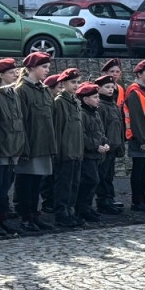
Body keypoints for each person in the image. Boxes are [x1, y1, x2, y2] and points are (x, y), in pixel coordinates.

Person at [13, 52, 57, 234]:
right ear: (31, 68)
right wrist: (23, 146)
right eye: (44, 67)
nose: (47, 71)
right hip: (30, 144)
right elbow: (19, 120)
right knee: (26, 183)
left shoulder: (45, 90)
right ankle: (26, 218)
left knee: (37, 183)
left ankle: (33, 215)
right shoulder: (22, 90)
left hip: (43, 143)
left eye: (48, 67)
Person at [0, 58, 24, 237]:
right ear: (1, 75)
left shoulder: (13, 93)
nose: (15, 75)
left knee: (5, 186)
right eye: (11, 72)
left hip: (13, 147)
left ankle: (3, 219)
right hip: (0, 148)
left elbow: (18, 122)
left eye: (15, 72)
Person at [124, 59, 145, 213]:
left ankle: (141, 200)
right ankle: (137, 201)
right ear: (139, 74)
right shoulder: (134, 92)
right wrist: (141, 140)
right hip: (140, 138)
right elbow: (137, 118)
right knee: (139, 170)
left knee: (143, 170)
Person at [51, 67, 84, 228]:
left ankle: (70, 210)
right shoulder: (60, 102)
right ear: (63, 83)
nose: (76, 85)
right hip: (65, 151)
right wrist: (58, 152)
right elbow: (58, 129)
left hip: (76, 151)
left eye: (78, 82)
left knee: (74, 183)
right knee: (63, 184)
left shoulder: (75, 102)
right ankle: (61, 213)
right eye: (73, 82)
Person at [76, 83, 108, 223]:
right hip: (88, 155)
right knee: (90, 181)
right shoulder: (83, 114)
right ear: (85, 99)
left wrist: (105, 142)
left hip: (96, 155)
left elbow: (100, 132)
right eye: (94, 97)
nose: (98, 99)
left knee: (93, 181)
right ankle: (82, 209)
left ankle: (86, 207)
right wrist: (96, 146)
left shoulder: (94, 112)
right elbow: (82, 136)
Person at [95, 74, 125, 215]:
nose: (110, 90)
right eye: (106, 87)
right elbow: (100, 128)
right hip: (105, 148)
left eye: (112, 87)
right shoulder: (101, 107)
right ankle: (103, 201)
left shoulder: (113, 105)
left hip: (113, 146)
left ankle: (109, 198)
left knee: (109, 174)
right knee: (103, 175)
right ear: (99, 89)